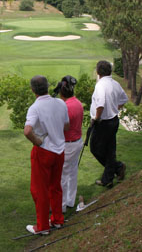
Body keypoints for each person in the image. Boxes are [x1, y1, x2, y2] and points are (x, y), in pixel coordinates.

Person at [24, 75, 70, 235]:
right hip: (59, 150)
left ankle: (42, 227)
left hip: (44, 151)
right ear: (48, 87)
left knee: (39, 189)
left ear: (33, 90)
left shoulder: (35, 108)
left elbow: (27, 131)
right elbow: (66, 125)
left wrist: (37, 141)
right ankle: (57, 220)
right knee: (55, 186)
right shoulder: (60, 103)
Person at [89, 61, 128, 188]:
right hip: (113, 120)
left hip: (103, 122)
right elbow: (124, 99)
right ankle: (110, 177)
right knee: (110, 150)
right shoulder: (115, 83)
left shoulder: (100, 85)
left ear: (98, 72)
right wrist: (114, 108)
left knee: (95, 148)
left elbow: (100, 104)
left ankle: (116, 168)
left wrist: (96, 118)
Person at [54, 76, 84, 213]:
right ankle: (70, 201)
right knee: (72, 172)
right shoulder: (77, 103)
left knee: (62, 176)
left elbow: (60, 127)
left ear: (61, 93)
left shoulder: (65, 107)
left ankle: (61, 206)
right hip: (77, 142)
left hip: (68, 144)